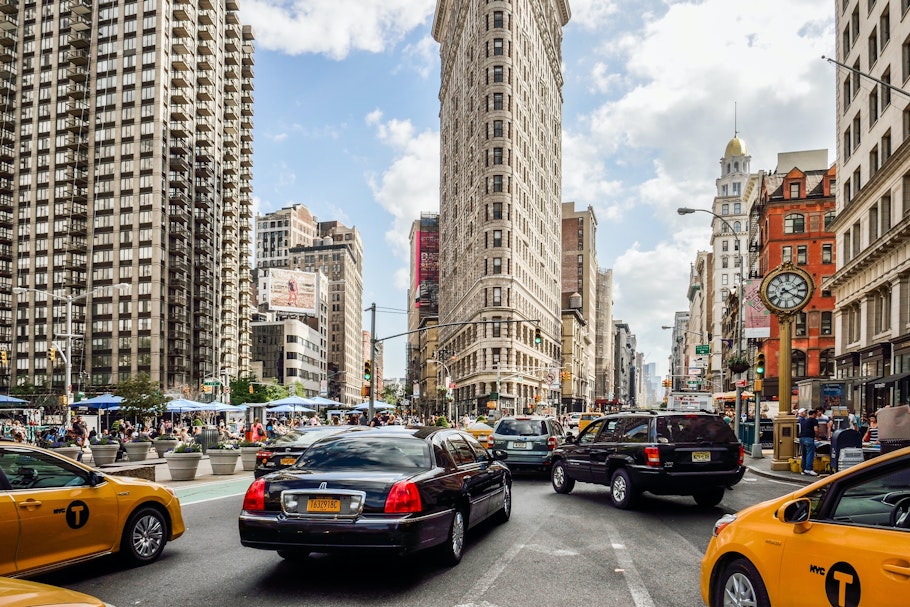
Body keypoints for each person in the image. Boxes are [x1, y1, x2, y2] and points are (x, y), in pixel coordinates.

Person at [798, 408, 819, 476]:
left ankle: (803, 470)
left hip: (802, 438)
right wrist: (818, 436)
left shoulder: (805, 420)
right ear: (814, 414)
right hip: (809, 438)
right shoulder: (814, 420)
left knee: (804, 454)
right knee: (810, 453)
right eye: (816, 414)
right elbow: (816, 429)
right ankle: (809, 469)